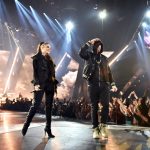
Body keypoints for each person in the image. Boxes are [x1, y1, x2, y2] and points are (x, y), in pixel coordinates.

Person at [79, 38, 117, 139]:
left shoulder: (104, 58)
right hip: (93, 84)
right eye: (97, 45)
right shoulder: (89, 56)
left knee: (105, 105)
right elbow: (81, 52)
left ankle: (103, 126)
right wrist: (89, 43)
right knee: (94, 107)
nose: (99, 47)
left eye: (101, 45)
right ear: (94, 46)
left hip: (104, 85)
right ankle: (95, 129)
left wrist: (113, 84)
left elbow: (108, 72)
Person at [22, 42, 58, 138]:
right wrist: (37, 84)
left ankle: (48, 128)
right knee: (35, 105)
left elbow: (52, 74)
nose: (49, 49)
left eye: (49, 48)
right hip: (40, 84)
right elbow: (35, 73)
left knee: (49, 107)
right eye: (47, 47)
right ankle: (26, 124)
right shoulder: (36, 58)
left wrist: (54, 85)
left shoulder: (49, 60)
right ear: (42, 47)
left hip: (50, 85)